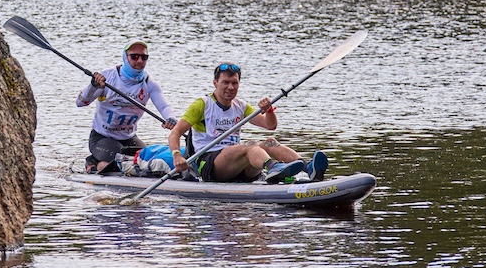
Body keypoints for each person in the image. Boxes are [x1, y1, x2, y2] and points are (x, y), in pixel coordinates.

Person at [168, 62, 328, 184]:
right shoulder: (202, 105)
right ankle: (274, 168)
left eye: (234, 83)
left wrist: (269, 110)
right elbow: (175, 132)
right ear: (215, 83)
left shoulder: (240, 105)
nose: (230, 87)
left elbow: (270, 126)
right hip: (209, 163)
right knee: (250, 146)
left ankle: (308, 168)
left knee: (269, 142)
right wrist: (176, 156)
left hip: (237, 164)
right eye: (225, 82)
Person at [77, 39, 177, 172]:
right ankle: (94, 164)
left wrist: (171, 118)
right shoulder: (107, 77)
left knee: (147, 162)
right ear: (125, 57)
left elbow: (164, 107)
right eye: (134, 57)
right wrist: (93, 86)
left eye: (144, 57)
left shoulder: (149, 83)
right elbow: (80, 103)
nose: (139, 61)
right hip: (102, 137)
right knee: (121, 163)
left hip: (129, 138)